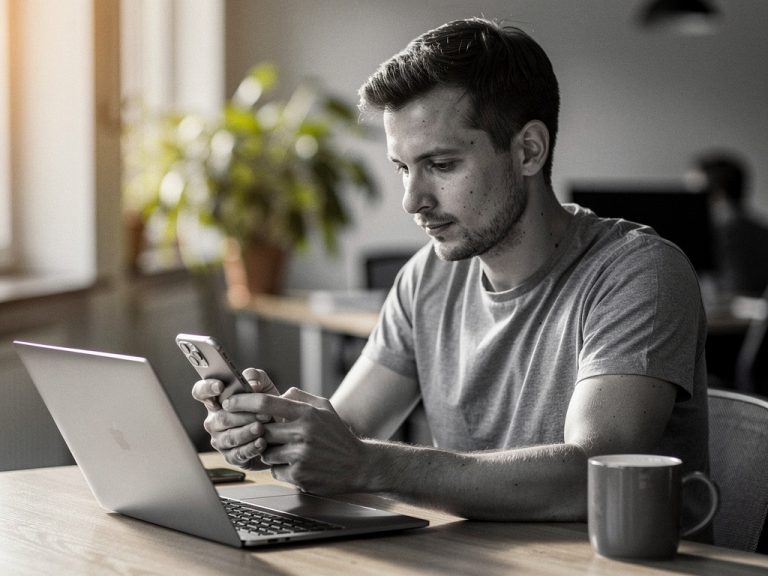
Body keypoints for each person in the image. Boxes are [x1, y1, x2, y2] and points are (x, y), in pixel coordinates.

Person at [193, 17, 709, 524]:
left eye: (441, 166)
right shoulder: (426, 278)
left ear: (528, 150)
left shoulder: (639, 273)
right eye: (403, 168)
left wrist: (368, 464)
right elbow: (345, 433)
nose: (412, 200)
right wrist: (278, 431)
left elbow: (592, 478)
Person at [688, 151, 768, 298]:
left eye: (694, 194)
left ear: (718, 194)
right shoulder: (756, 229)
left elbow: (735, 295)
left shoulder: (732, 234)